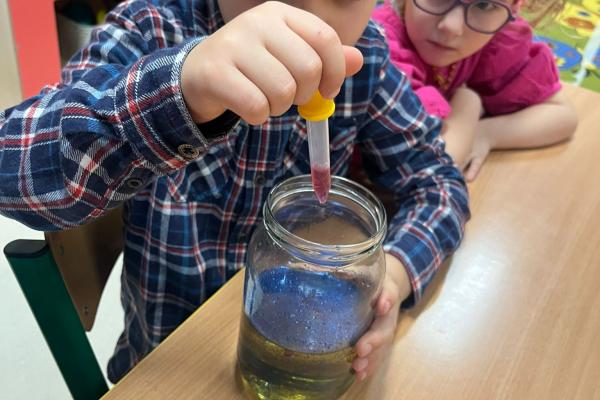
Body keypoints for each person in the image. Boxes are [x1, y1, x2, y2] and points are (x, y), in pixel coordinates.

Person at [0, 0, 469, 383]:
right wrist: (183, 90)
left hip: (307, 353)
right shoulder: (152, 27)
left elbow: (438, 181)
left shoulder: (364, 59)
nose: (302, 22)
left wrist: (393, 278)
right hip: (168, 366)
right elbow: (12, 164)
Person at [371, 0, 578, 180]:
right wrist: (468, 102)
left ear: (514, 8)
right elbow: (428, 168)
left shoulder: (495, 37)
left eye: (484, 5)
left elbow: (562, 115)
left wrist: (485, 134)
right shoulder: (377, 46)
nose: (452, 27)